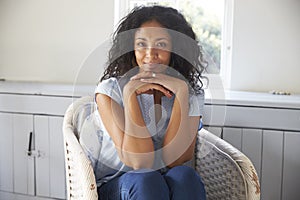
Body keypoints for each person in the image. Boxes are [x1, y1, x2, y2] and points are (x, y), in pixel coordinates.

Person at [80, 5, 207, 200]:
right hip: (116, 185)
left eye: (161, 44)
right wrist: (130, 93)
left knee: (185, 176)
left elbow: (176, 160)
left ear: (176, 49)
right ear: (131, 48)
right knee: (145, 179)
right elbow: (140, 162)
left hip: (163, 183)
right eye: (141, 44)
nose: (150, 53)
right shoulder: (110, 90)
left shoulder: (191, 93)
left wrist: (181, 93)